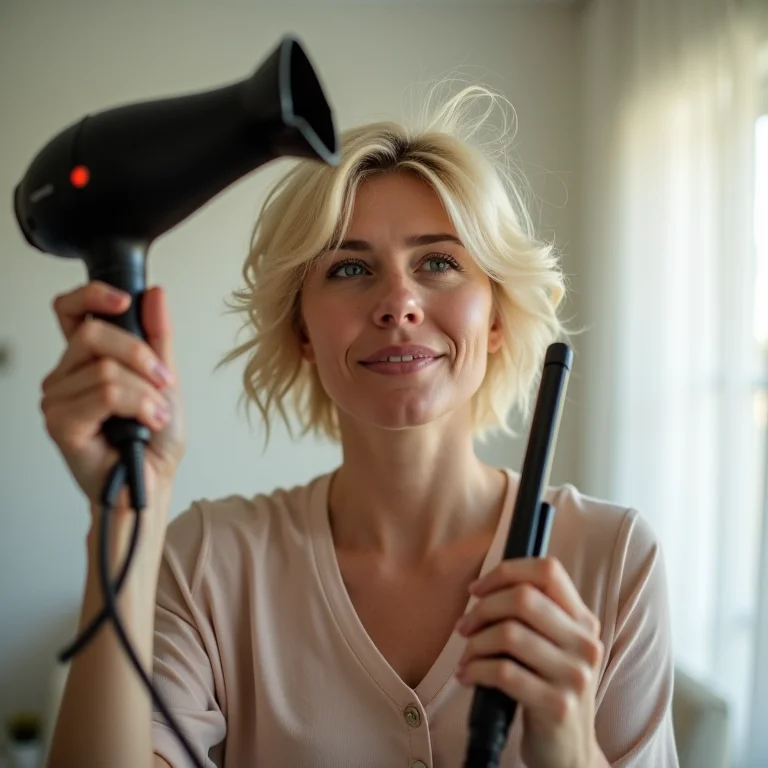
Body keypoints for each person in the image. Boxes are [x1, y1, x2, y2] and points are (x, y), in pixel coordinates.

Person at [42, 85, 679, 768]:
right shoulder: (208, 562)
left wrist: (573, 749)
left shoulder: (613, 560)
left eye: (438, 262)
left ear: (494, 318)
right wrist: (124, 514)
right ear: (304, 331)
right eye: (350, 268)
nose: (399, 302)